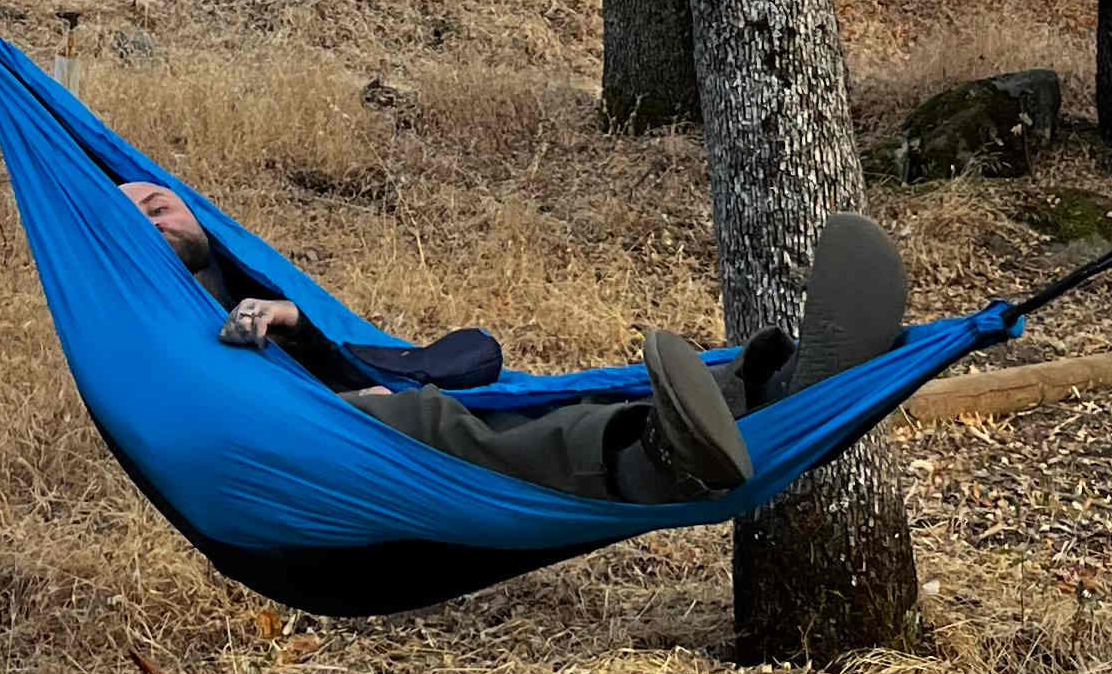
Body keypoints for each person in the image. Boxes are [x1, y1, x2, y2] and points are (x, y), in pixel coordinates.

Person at [116, 176, 908, 505]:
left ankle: (771, 390)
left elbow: (340, 361)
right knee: (435, 424)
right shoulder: (139, 310)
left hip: (353, 414)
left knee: (540, 409)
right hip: (306, 452)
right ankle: (655, 460)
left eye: (160, 203)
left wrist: (289, 318)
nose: (157, 219)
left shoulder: (239, 281)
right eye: (133, 221)